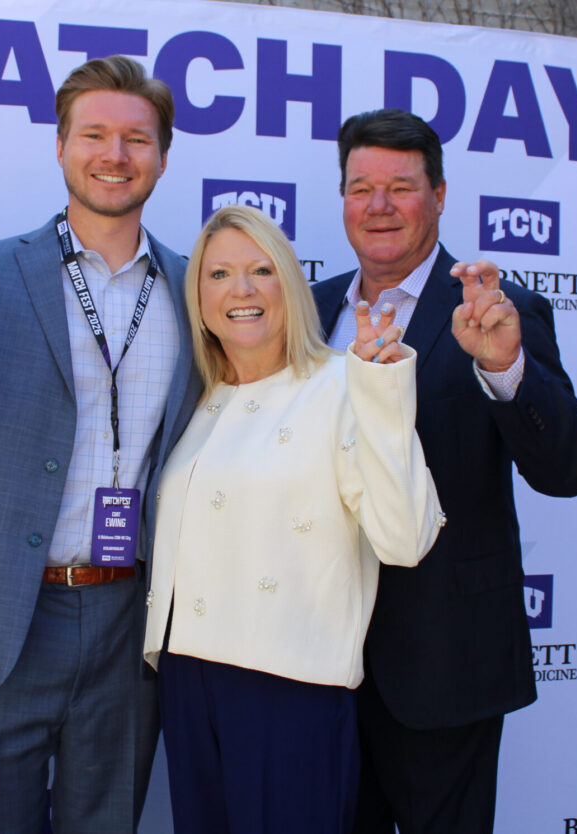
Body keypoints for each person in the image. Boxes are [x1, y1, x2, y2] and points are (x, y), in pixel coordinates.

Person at [0, 55, 201, 832]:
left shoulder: (197, 288)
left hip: (129, 621)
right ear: (62, 147)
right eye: (94, 133)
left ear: (163, 156)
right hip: (3, 610)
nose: (115, 154)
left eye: (137, 138)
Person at [312, 108, 577, 834]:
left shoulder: (496, 311)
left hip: (447, 659)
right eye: (360, 187)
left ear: (440, 196)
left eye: (401, 187)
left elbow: (568, 467)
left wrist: (503, 367)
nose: (378, 205)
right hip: (319, 658)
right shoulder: (309, 314)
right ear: (342, 198)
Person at [142, 204, 442, 833]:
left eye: (261, 270)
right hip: (188, 678)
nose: (241, 290)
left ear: (292, 284)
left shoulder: (345, 382)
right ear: (197, 297)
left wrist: (385, 396)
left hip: (293, 688)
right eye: (219, 274)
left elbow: (405, 541)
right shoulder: (199, 398)